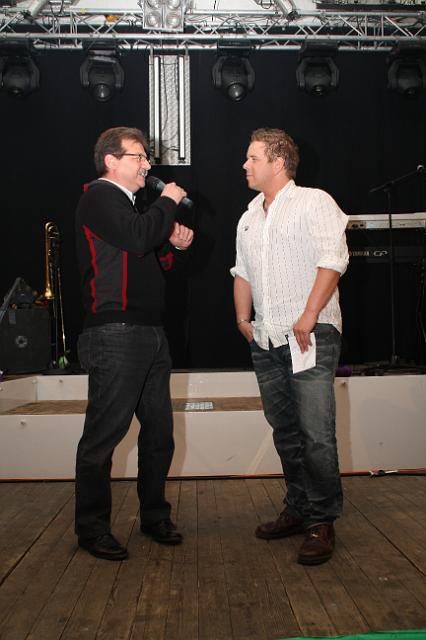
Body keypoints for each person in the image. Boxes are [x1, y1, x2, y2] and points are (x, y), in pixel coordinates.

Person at [75, 126, 194, 560]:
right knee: (104, 436)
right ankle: (91, 528)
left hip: (149, 331)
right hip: (115, 333)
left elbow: (147, 254)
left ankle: (155, 516)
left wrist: (173, 244)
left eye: (146, 157)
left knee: (159, 432)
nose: (147, 164)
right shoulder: (98, 196)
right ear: (111, 161)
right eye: (139, 156)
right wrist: (169, 201)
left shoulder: (129, 206)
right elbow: (138, 237)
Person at [231, 128, 349, 565]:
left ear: (278, 162)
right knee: (286, 432)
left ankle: (321, 520)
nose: (245, 165)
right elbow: (242, 272)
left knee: (315, 434)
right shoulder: (249, 216)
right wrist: (243, 319)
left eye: (253, 158)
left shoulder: (314, 201)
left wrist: (309, 314)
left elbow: (333, 259)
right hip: (266, 339)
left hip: (309, 335)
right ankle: (298, 509)